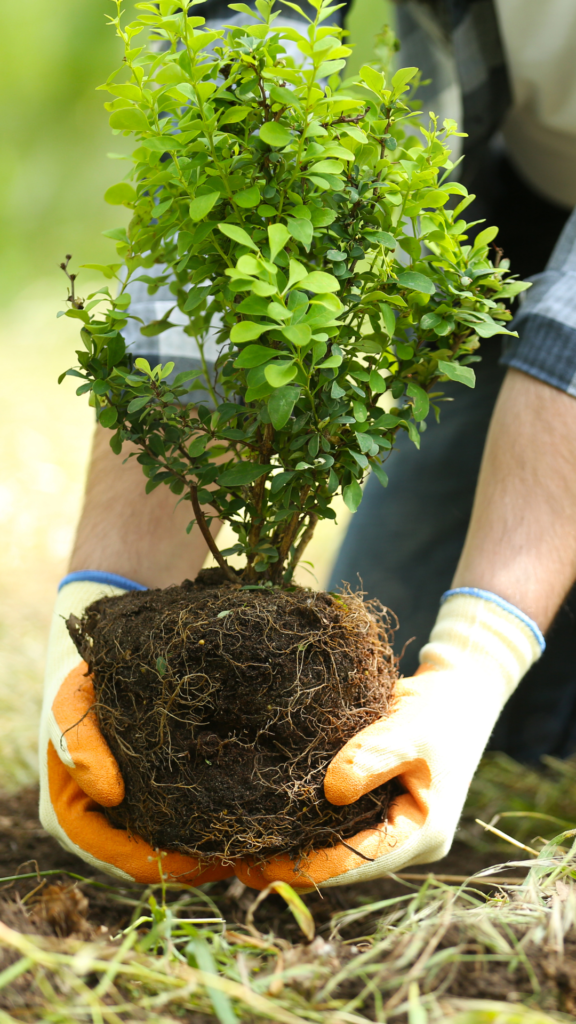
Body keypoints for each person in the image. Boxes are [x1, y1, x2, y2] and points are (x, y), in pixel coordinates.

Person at [40, 0, 576, 889]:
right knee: (388, 680)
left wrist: (476, 664)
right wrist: (100, 609)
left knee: (510, 700)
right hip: (513, 198)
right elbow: (233, 86)